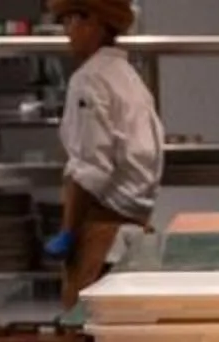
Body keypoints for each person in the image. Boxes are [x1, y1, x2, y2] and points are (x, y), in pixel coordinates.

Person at [50, 0, 160, 302]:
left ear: (95, 23)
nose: (67, 32)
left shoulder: (88, 79)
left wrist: (68, 231)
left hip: (103, 234)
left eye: (70, 21)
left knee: (89, 339)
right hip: (135, 229)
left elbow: (90, 170)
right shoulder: (127, 75)